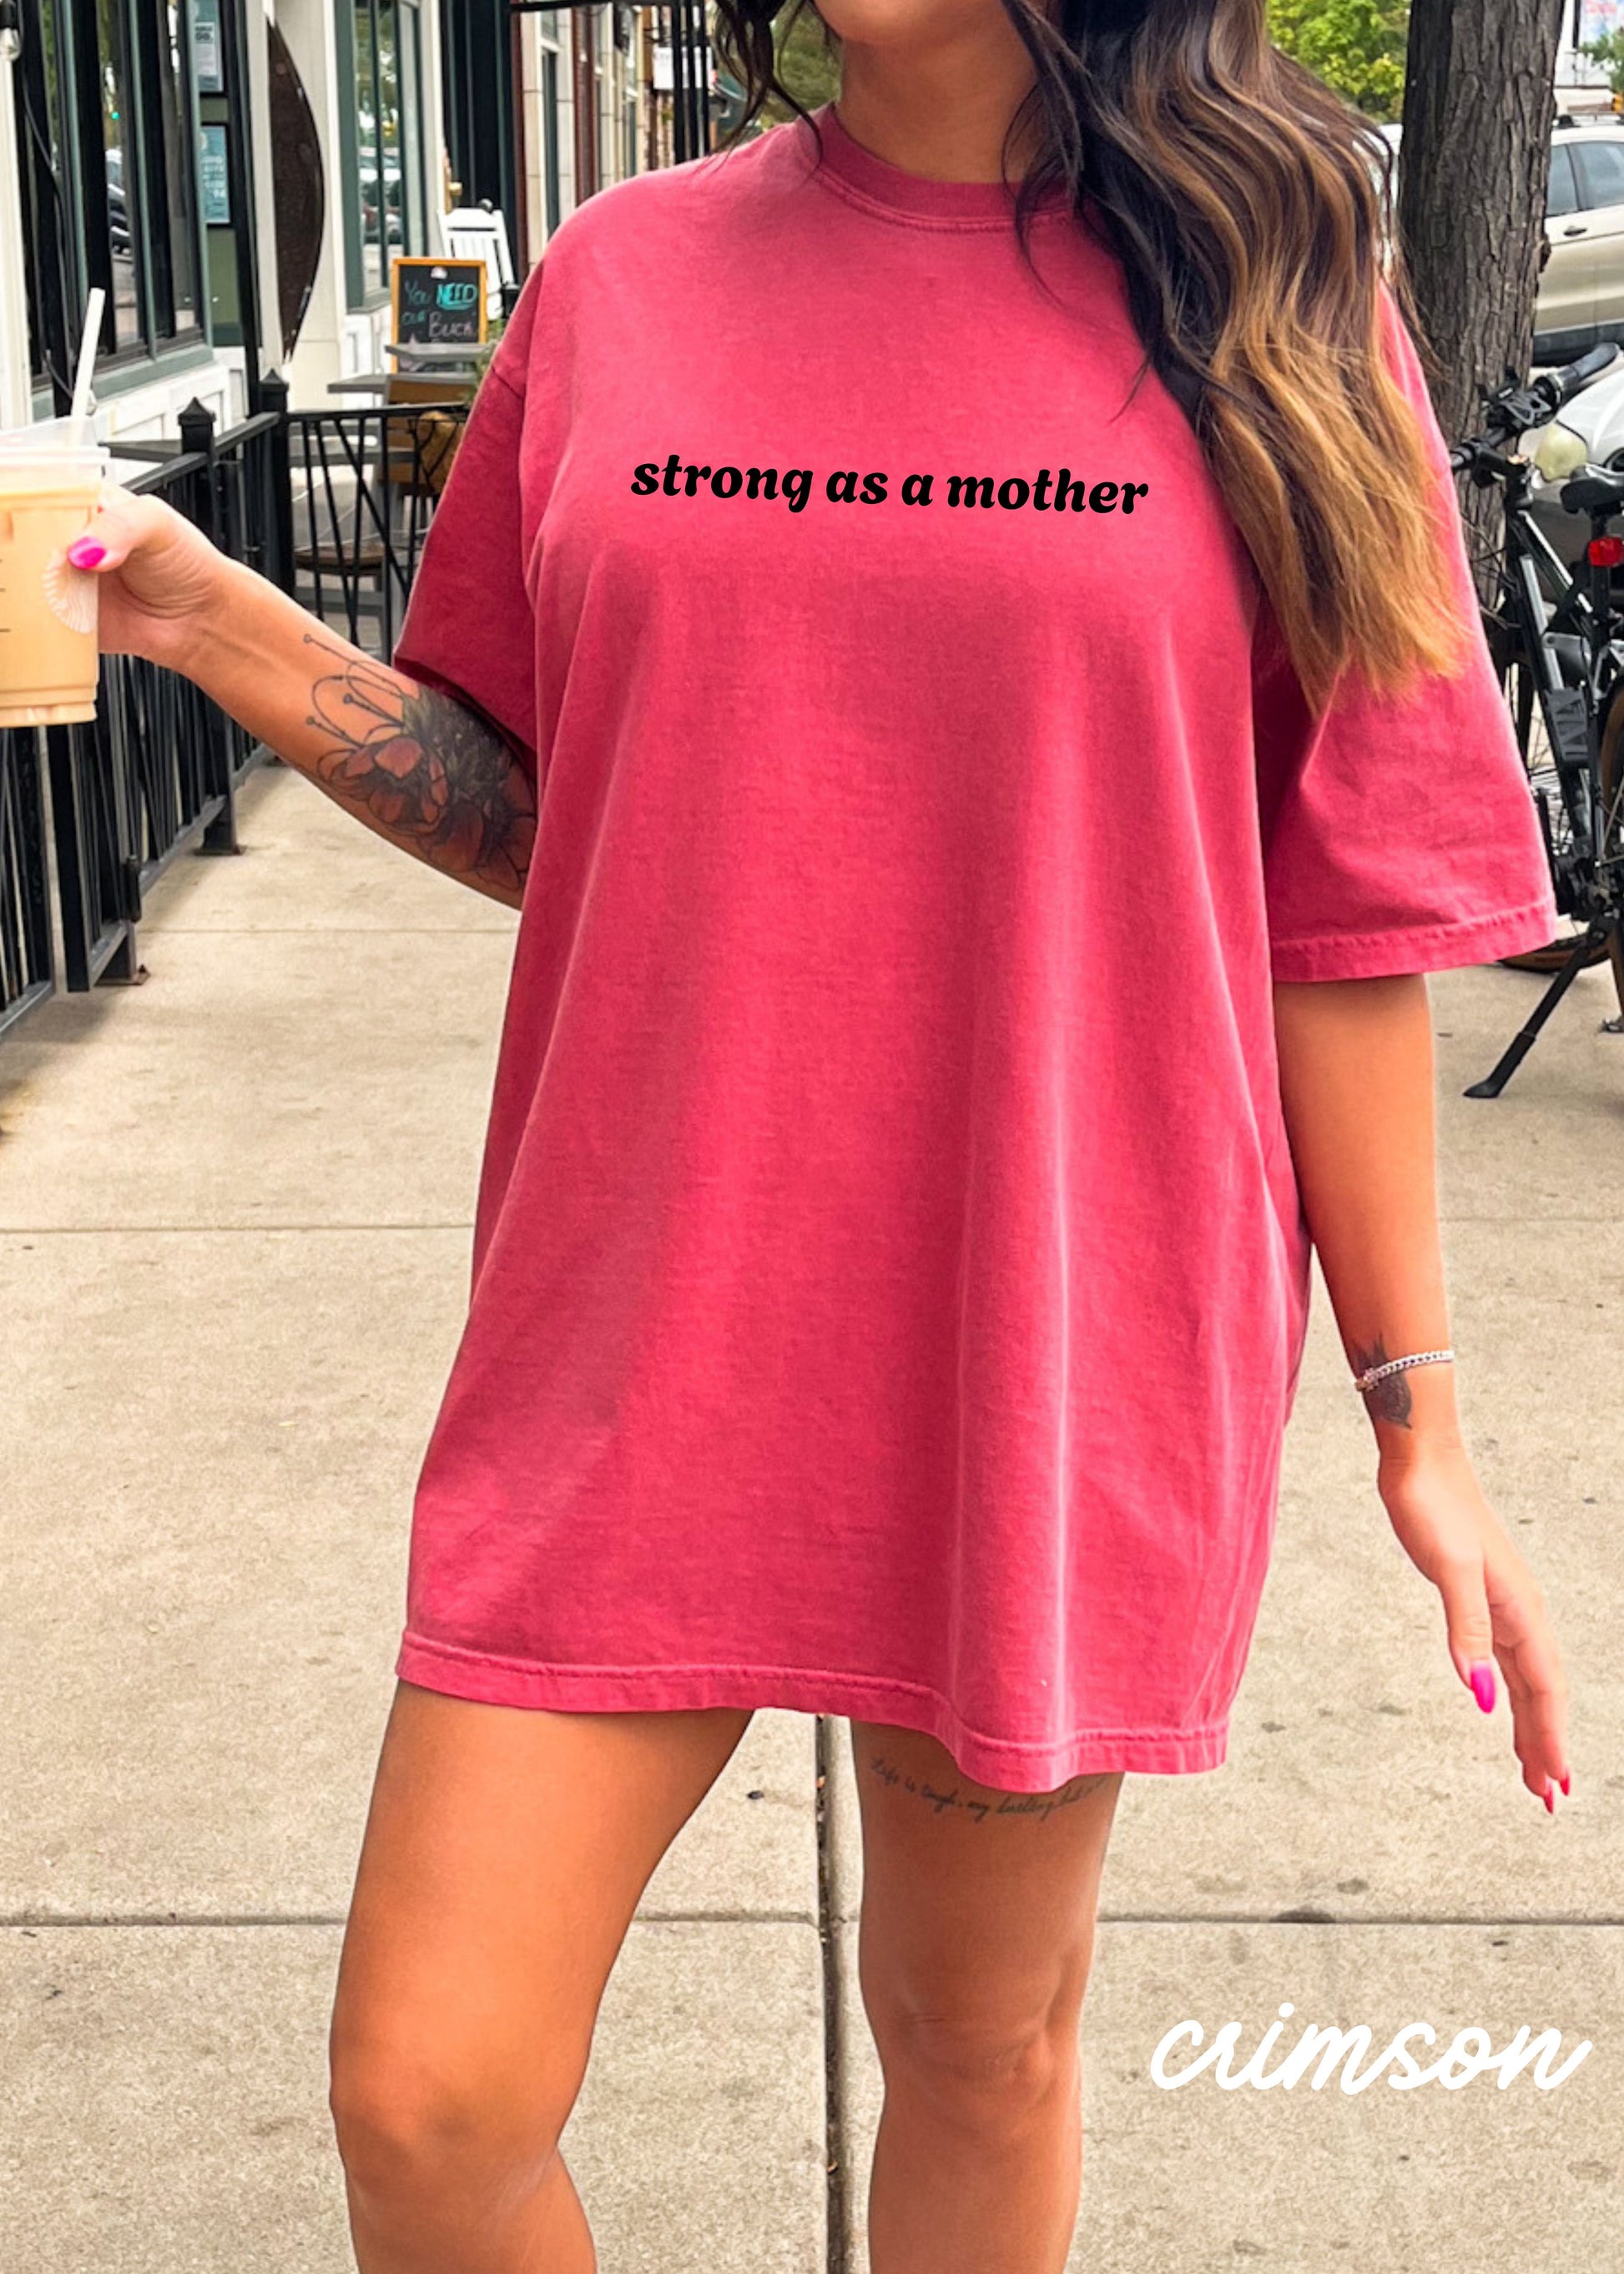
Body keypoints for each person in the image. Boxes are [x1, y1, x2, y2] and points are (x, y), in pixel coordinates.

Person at [69, 2, 1572, 2266]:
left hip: (1048, 1318)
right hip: (636, 1316)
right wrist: (209, 619)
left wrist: (1414, 1406)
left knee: (979, 2043)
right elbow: (548, 807)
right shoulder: (624, 276)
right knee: (429, 2098)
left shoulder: (1275, 293)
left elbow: (1342, 909)